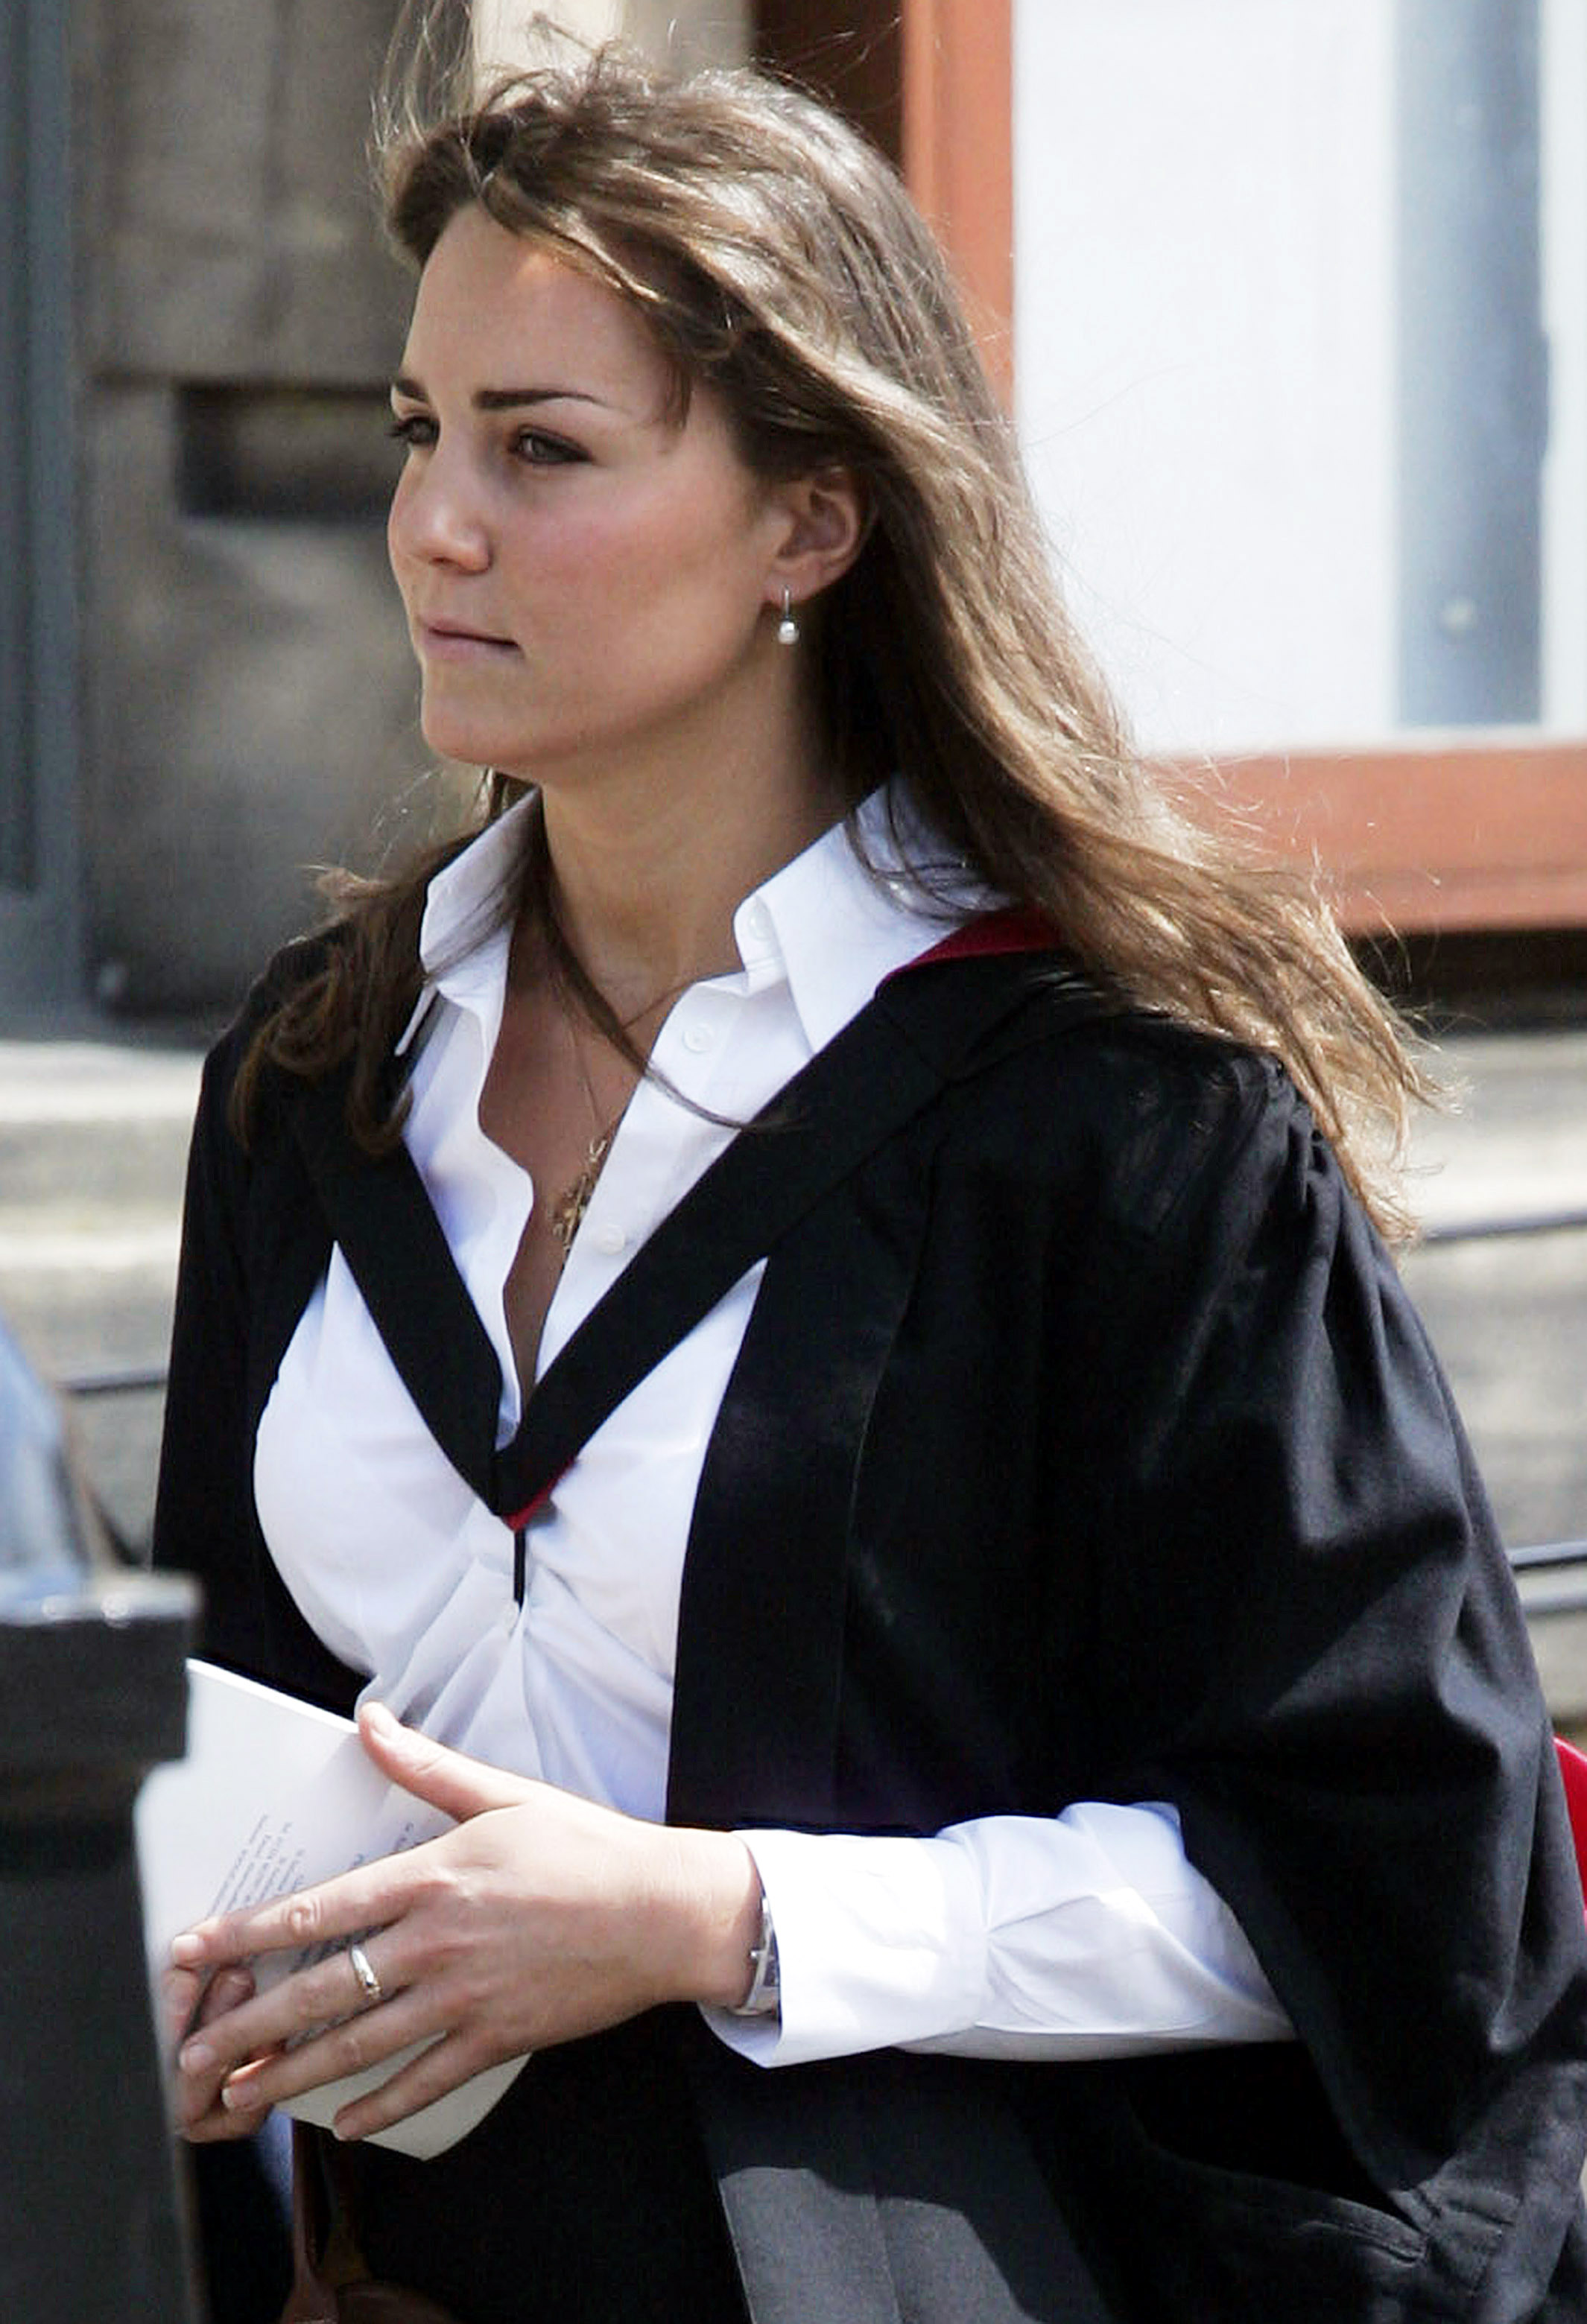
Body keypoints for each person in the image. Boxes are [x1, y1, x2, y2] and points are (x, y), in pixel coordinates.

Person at [152, 32, 1587, 2324]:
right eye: (421, 433)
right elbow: (217, 1729)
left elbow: (1408, 1893)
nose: (436, 523)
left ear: (810, 520)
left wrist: (714, 1920)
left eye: (546, 451)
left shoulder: (1113, 1129)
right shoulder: (318, 1075)